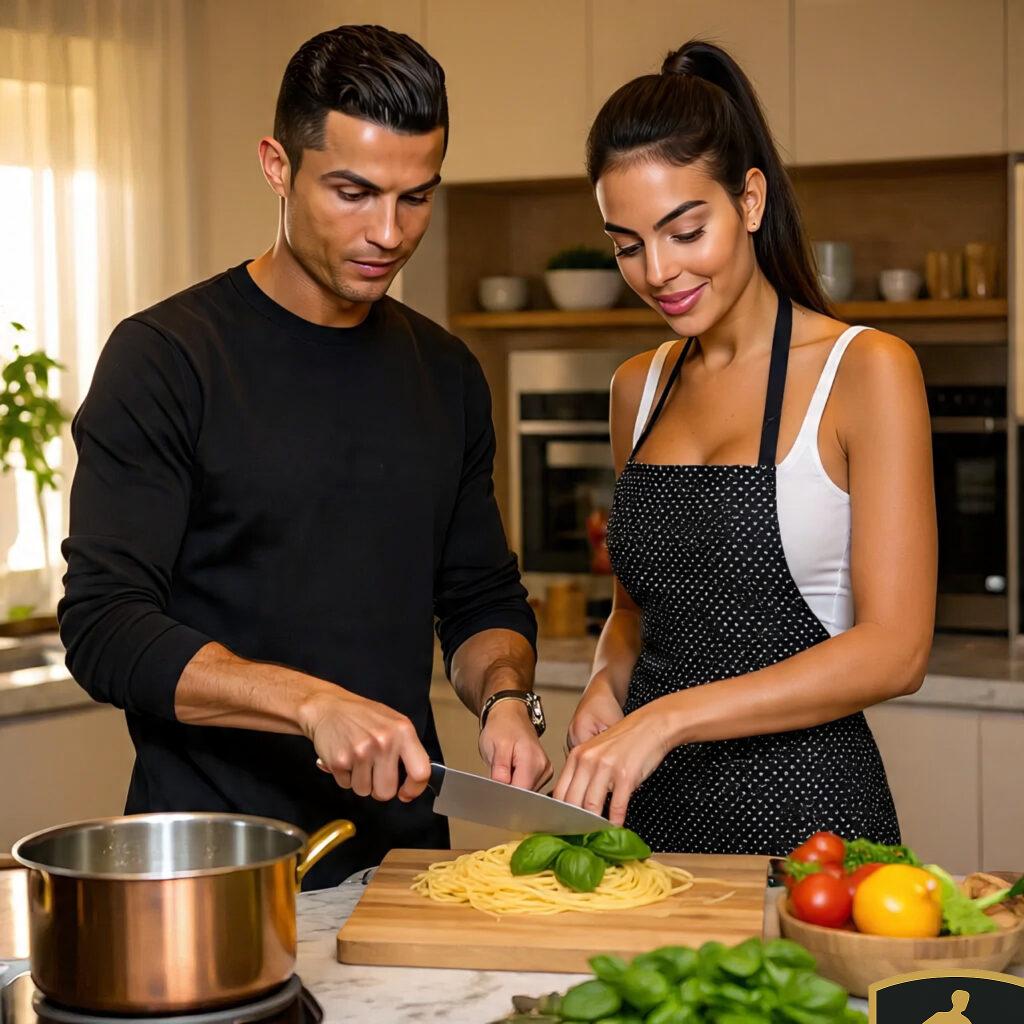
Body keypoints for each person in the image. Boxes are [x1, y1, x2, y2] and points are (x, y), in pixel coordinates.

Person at [58, 24, 551, 888]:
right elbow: (105, 629)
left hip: (402, 870)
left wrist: (506, 697)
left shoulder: (447, 374)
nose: (388, 234)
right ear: (277, 166)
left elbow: (479, 598)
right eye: (353, 192)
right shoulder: (167, 358)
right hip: (210, 872)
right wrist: (310, 704)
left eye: (416, 198)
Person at [552, 39, 936, 855]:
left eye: (685, 231)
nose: (658, 271)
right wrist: (603, 688)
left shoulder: (863, 370)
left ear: (750, 200)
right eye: (627, 245)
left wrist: (665, 719)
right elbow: (633, 612)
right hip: (648, 823)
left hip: (810, 826)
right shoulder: (638, 389)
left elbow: (895, 650)